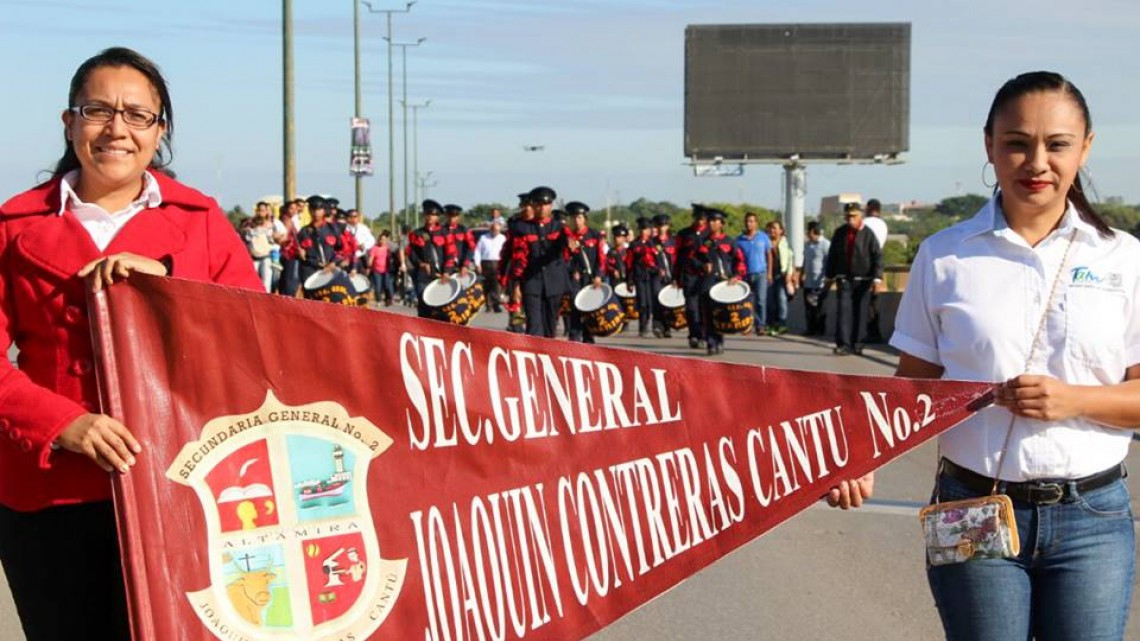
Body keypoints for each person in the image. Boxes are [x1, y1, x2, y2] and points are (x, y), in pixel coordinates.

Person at [829, 71, 1140, 641]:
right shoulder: (944, 256)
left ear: (1086, 147)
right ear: (990, 145)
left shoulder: (1124, 259)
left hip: (1093, 519)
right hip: (972, 510)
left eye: (1058, 144)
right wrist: (856, 456)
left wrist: (1072, 400)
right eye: (1017, 143)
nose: (1036, 162)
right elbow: (911, 391)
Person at [0, 47, 261, 641]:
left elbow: (254, 339)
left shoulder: (201, 221)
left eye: (138, 115)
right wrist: (61, 422)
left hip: (180, 483)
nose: (117, 128)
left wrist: (168, 287)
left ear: (159, 130)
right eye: (97, 110)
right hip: (51, 491)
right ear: (69, 123)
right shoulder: (13, 227)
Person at [508, 186, 572, 338]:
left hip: (554, 282)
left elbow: (567, 246)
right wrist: (516, 285)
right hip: (532, 283)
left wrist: (570, 245)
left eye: (546, 205)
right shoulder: (523, 228)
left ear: (551, 206)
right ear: (533, 206)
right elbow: (518, 259)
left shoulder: (559, 227)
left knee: (550, 326)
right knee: (534, 326)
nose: (542, 208)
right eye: (538, 205)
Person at [824, 202, 882, 355]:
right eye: (848, 216)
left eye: (854, 216)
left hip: (863, 279)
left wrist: (877, 279)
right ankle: (844, 344)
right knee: (844, 312)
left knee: (860, 313)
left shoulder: (868, 234)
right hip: (844, 279)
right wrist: (829, 277)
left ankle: (858, 343)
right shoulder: (840, 233)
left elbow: (877, 257)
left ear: (860, 216)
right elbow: (832, 256)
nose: (850, 219)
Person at [695, 208, 746, 355]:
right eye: (709, 220)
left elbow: (740, 261)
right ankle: (711, 342)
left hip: (724, 282)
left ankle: (719, 341)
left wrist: (737, 276)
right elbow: (693, 260)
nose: (711, 223)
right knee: (708, 313)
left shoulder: (729, 241)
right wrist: (702, 265)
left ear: (721, 223)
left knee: (722, 313)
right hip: (707, 281)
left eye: (714, 221)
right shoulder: (703, 241)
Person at [565, 201, 605, 342]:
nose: (577, 221)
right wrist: (571, 270)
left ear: (585, 219)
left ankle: (589, 338)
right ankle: (574, 337)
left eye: (580, 218)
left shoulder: (594, 235)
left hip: (591, 278)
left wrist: (598, 275)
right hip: (574, 278)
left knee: (590, 309)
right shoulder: (568, 237)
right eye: (574, 218)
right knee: (575, 307)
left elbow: (600, 257)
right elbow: (564, 259)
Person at [675, 204, 710, 348]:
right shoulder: (684, 234)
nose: (700, 221)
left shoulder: (709, 233)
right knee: (691, 308)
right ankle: (693, 334)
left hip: (705, 277)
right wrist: (676, 276)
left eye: (702, 219)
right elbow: (677, 257)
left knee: (704, 308)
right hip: (689, 275)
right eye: (697, 218)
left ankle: (703, 335)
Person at [406, 200, 448, 317]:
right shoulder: (417, 233)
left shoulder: (444, 233)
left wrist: (447, 272)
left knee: (441, 307)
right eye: (428, 214)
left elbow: (450, 253)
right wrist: (421, 264)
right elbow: (411, 253)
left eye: (434, 215)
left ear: (438, 217)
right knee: (424, 305)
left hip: (442, 275)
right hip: (424, 275)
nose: (430, 217)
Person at [296, 195, 346, 286]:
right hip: (311, 272)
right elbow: (296, 252)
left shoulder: (333, 229)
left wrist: (333, 263)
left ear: (324, 211)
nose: (315, 213)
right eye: (313, 209)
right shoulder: (304, 232)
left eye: (319, 209)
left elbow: (342, 250)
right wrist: (299, 253)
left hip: (331, 271)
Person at [735, 212, 771, 335]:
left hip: (761, 273)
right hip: (746, 274)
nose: (749, 224)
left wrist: (769, 273)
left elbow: (769, 255)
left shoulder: (763, 237)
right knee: (746, 302)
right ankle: (747, 325)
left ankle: (760, 325)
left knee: (761, 300)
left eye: (751, 221)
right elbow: (736, 258)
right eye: (747, 221)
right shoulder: (739, 239)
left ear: (756, 223)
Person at [861, 198, 889, 343]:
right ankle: (874, 331)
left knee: (864, 302)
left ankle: (870, 332)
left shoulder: (865, 224)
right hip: (877, 266)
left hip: (864, 267)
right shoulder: (883, 225)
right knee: (874, 301)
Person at [797, 221, 830, 336]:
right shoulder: (807, 245)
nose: (807, 234)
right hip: (808, 281)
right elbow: (805, 261)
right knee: (809, 308)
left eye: (808, 231)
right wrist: (801, 274)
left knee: (820, 308)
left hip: (820, 282)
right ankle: (810, 329)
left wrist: (827, 279)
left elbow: (829, 262)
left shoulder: (826, 245)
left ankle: (820, 331)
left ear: (813, 231)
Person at [627, 217, 658, 338]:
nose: (644, 232)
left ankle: (651, 322)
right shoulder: (634, 244)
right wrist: (629, 280)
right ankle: (642, 326)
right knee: (642, 302)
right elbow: (629, 263)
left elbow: (660, 260)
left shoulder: (654, 243)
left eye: (646, 229)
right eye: (642, 229)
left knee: (651, 302)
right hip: (639, 276)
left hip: (652, 276)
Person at [765, 220, 794, 336]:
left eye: (775, 228)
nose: (773, 230)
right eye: (771, 228)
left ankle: (783, 324)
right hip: (769, 275)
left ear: (781, 231)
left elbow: (791, 259)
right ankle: (772, 324)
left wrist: (789, 274)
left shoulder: (785, 243)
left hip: (782, 275)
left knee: (782, 299)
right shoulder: (766, 242)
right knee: (770, 301)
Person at [650, 213, 676, 338]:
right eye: (659, 225)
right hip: (657, 276)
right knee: (657, 299)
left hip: (671, 277)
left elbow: (677, 259)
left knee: (668, 302)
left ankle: (667, 327)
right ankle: (657, 325)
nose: (662, 228)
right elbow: (647, 260)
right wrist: (656, 268)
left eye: (664, 225)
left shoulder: (673, 242)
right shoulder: (651, 243)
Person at [474, 218, 507, 313]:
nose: (495, 231)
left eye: (497, 230)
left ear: (500, 229)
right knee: (487, 285)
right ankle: (488, 305)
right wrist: (477, 264)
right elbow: (477, 251)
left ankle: (497, 304)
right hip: (486, 263)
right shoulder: (483, 238)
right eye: (493, 229)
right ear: (490, 229)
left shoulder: (503, 238)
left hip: (498, 263)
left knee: (497, 285)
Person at [245, 201, 276, 292]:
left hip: (266, 257)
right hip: (254, 257)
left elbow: (279, 236)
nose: (261, 212)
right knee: (252, 283)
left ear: (266, 211)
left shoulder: (271, 224)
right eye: (259, 210)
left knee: (266, 283)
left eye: (263, 210)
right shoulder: (250, 223)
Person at [366, 229, 396, 306]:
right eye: (380, 239)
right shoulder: (375, 248)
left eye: (383, 240)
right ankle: (378, 300)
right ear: (378, 240)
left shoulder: (388, 249)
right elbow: (371, 258)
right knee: (378, 286)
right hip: (376, 270)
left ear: (386, 241)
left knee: (387, 284)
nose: (381, 241)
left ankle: (388, 299)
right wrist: (369, 265)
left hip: (386, 270)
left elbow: (393, 257)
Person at [344, 209, 375, 274]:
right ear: (348, 218)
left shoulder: (363, 228)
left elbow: (372, 240)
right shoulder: (344, 228)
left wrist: (364, 245)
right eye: (352, 216)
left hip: (360, 257)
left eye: (356, 216)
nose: (355, 219)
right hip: (348, 259)